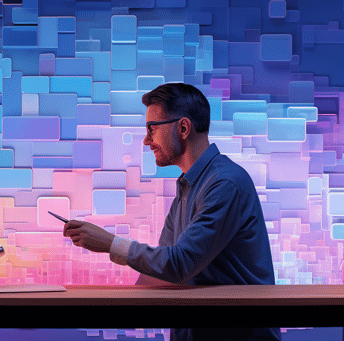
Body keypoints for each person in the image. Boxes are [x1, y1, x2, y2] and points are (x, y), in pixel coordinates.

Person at [63, 83, 280, 341]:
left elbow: (179, 264)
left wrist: (110, 244)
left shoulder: (224, 184)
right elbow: (163, 273)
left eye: (152, 128)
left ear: (184, 128)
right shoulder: (188, 187)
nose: (146, 139)